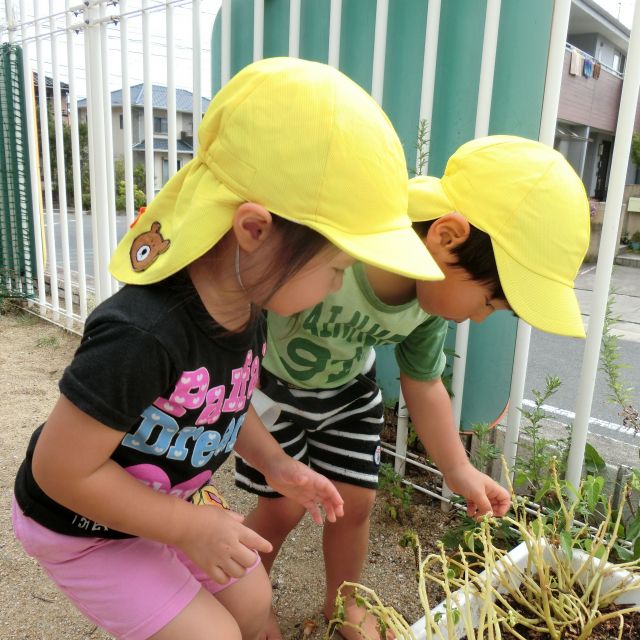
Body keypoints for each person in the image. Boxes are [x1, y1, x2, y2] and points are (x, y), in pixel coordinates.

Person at [11, 57, 444, 640]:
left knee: (254, 599)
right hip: (81, 526)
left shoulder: (250, 309)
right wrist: (183, 528)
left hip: (167, 506)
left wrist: (278, 466)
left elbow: (223, 406)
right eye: (336, 267)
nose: (339, 285)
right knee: (211, 632)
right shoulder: (141, 334)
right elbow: (60, 470)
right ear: (255, 230)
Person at [236, 135, 590, 640]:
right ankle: (245, 601)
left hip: (347, 394)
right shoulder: (342, 247)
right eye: (489, 301)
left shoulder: (429, 300)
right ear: (447, 236)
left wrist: (459, 468)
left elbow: (423, 382)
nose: (482, 317)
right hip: (269, 391)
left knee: (355, 504)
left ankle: (345, 604)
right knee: (282, 507)